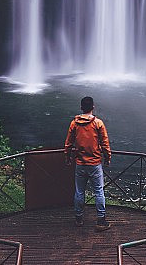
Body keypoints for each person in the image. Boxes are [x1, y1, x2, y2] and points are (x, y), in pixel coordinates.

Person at [64, 96, 111, 231]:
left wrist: (67, 157)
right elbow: (105, 144)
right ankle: (101, 221)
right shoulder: (98, 123)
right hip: (95, 163)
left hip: (80, 163)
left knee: (79, 191)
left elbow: (68, 144)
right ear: (93, 107)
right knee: (98, 191)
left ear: (81, 108)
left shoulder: (74, 123)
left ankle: (78, 218)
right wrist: (107, 158)